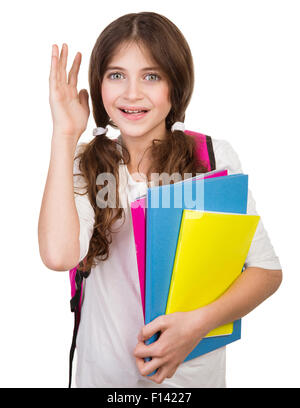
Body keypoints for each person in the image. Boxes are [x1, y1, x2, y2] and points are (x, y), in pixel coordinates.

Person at [38, 12, 282, 388]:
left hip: (190, 379)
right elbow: (58, 256)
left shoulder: (211, 159)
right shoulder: (84, 162)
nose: (132, 93)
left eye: (151, 76)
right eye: (116, 75)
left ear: (175, 84)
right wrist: (65, 133)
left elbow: (265, 272)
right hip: (104, 376)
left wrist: (196, 325)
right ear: (99, 85)